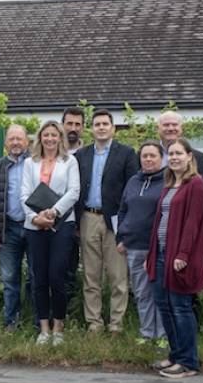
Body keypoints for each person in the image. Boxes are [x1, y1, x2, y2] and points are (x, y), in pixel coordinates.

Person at [146, 138, 203, 378]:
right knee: (165, 307)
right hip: (161, 253)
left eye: (178, 153)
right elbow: (159, 222)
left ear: (189, 156)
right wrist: (152, 255)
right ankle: (175, 356)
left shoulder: (196, 184)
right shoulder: (170, 184)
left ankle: (188, 362)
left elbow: (193, 224)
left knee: (180, 308)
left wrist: (182, 254)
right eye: (170, 154)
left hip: (179, 257)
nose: (174, 158)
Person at [74, 109, 138, 335]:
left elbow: (132, 189)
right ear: (91, 129)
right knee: (91, 275)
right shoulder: (81, 155)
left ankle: (116, 324)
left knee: (118, 276)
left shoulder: (127, 153)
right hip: (88, 217)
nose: (101, 127)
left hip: (115, 220)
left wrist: (128, 224)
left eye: (105, 124)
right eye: (97, 124)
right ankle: (94, 323)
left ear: (113, 128)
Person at [21, 120, 80, 345]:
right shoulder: (30, 163)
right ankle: (44, 330)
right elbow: (24, 194)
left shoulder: (70, 161)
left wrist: (53, 212)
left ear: (60, 138)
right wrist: (35, 218)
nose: (50, 139)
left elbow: (74, 192)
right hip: (35, 226)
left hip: (61, 224)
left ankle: (58, 329)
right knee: (39, 278)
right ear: (40, 138)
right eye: (46, 135)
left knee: (57, 276)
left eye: (54, 135)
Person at [116, 141, 167, 348]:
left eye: (153, 156)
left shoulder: (168, 181)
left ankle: (163, 336)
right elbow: (122, 210)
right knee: (141, 293)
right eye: (144, 156)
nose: (148, 159)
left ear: (161, 158)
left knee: (159, 293)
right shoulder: (133, 181)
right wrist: (120, 237)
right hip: (133, 246)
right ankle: (146, 333)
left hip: (157, 248)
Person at [0, 124, 34, 330]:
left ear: (27, 142)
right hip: (8, 229)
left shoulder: (36, 164)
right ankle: (11, 322)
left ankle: (34, 320)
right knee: (10, 279)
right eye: (11, 139)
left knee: (35, 277)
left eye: (19, 139)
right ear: (5, 143)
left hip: (34, 228)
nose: (15, 142)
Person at [62, 106, 86, 299]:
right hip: (55, 219)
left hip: (82, 220)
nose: (73, 128)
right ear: (62, 125)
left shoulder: (88, 154)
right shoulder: (52, 152)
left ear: (83, 128)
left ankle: (73, 306)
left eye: (77, 124)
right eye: (69, 123)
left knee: (76, 269)